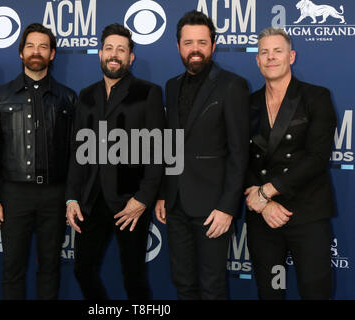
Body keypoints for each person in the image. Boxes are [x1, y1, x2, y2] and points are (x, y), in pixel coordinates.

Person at [65, 23, 165, 300]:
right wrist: (71, 198)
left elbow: (161, 150)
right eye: (109, 48)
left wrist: (143, 198)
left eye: (121, 49)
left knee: (134, 277)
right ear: (100, 53)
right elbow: (77, 152)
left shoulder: (149, 92)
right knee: (82, 270)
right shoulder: (85, 95)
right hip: (91, 200)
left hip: (130, 203)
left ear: (131, 57)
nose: (114, 54)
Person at [155, 10, 250, 300]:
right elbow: (168, 144)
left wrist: (227, 207)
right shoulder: (171, 86)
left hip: (213, 208)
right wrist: (162, 193)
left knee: (212, 286)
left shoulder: (233, 85)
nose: (195, 49)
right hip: (175, 204)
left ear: (213, 45)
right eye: (188, 43)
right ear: (178, 47)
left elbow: (239, 152)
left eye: (201, 42)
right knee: (183, 284)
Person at [0, 23, 77, 299]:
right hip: (14, 194)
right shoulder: (1, 95)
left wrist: (71, 197)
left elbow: (75, 153)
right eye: (30, 46)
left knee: (50, 267)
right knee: (13, 268)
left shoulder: (68, 97)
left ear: (53, 54)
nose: (36, 52)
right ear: (21, 53)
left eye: (43, 47)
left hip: (54, 194)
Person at [244, 27, 336, 299]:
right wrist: (265, 203)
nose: (271, 57)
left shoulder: (316, 97)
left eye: (277, 51)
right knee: (271, 292)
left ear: (291, 56)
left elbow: (317, 158)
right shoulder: (247, 104)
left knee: (315, 293)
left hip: (307, 214)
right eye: (264, 52)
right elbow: (238, 159)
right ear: (257, 60)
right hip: (264, 219)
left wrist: (267, 191)